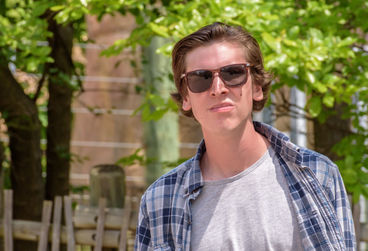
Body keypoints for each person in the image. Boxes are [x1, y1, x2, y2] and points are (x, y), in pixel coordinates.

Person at [134, 22, 356, 251]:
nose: (218, 88)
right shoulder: (159, 200)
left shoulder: (317, 175)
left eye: (233, 73)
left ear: (257, 86)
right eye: (200, 78)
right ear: (186, 97)